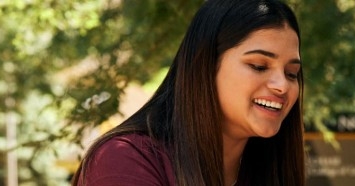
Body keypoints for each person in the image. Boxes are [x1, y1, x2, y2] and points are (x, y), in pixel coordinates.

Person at [73, 0, 304, 185]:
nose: (282, 85)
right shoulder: (124, 161)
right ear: (204, 65)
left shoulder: (267, 170)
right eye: (259, 66)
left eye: (292, 73)